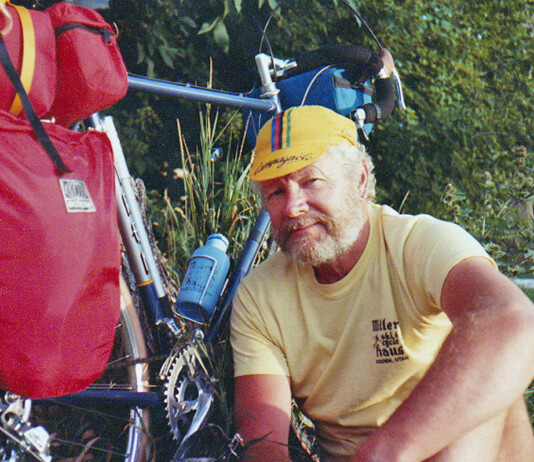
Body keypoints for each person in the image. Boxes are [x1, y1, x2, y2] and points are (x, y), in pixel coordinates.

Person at [229, 104, 534, 461]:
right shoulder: (259, 297)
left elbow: (514, 321)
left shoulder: (418, 243)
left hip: (451, 449)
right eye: (275, 193)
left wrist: (385, 453)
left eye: (312, 181)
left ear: (360, 180)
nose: (293, 207)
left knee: (493, 376)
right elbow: (263, 445)